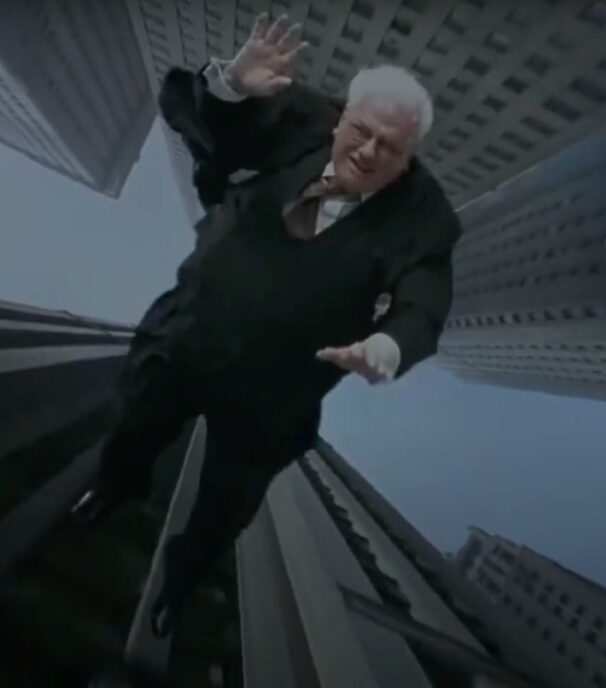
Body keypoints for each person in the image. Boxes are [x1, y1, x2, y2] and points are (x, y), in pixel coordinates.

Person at [71, 12, 460, 638]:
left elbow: (425, 301)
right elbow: (201, 122)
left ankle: (181, 581)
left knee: (228, 502)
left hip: (278, 389)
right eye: (361, 132)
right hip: (193, 328)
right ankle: (115, 487)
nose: (368, 152)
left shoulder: (426, 217)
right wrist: (229, 87)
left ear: (410, 155)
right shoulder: (300, 117)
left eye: (390, 149)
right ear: (341, 117)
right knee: (136, 418)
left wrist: (388, 347)